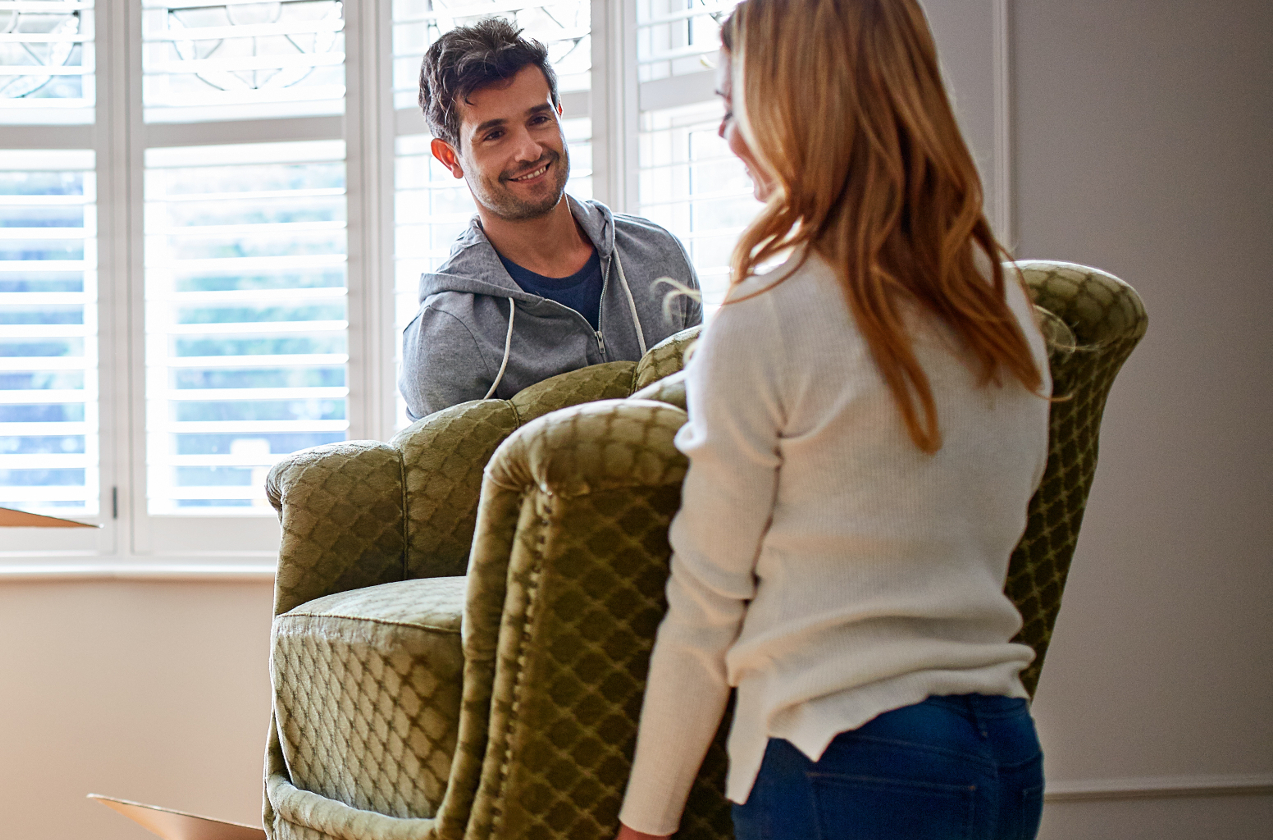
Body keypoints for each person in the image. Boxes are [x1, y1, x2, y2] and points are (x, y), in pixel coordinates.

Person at [614, 1, 1052, 839]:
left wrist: (645, 824)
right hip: (1003, 750)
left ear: (797, 104)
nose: (725, 135)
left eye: (733, 104)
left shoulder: (769, 311)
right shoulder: (1002, 303)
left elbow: (707, 605)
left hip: (843, 759)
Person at [402, 18, 701, 420]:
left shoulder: (658, 255)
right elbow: (448, 484)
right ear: (450, 157)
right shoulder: (447, 337)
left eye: (539, 119)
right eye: (494, 135)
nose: (528, 150)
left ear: (559, 115)